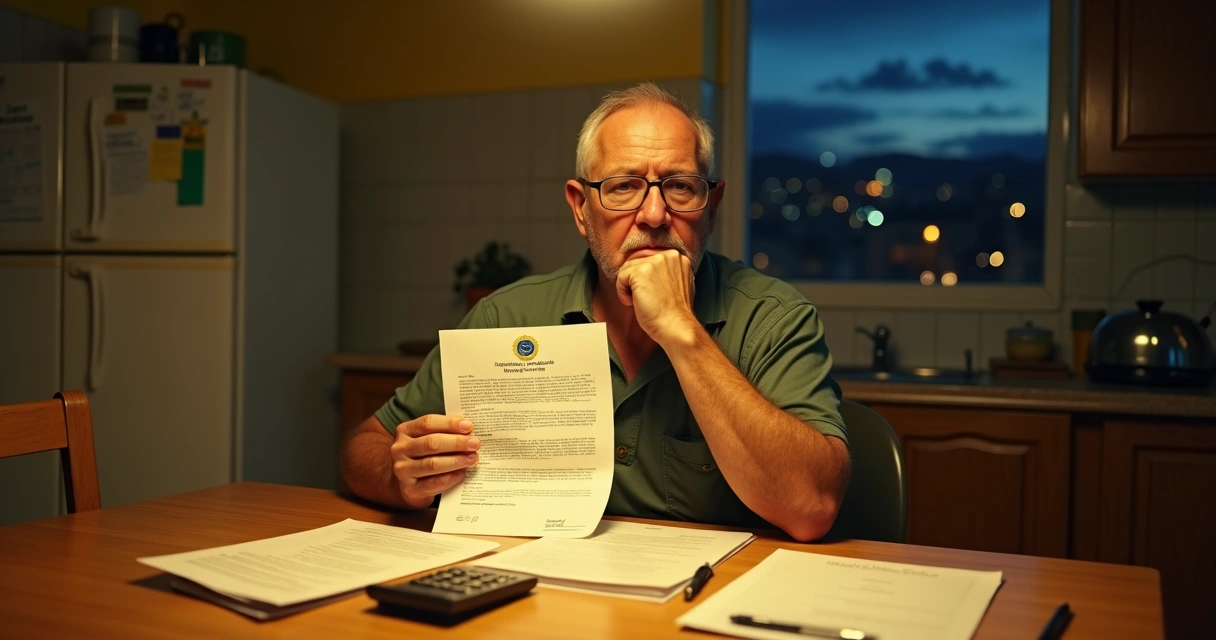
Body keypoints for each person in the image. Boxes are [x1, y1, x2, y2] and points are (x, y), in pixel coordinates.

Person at [341, 83, 850, 542]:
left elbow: (812, 508)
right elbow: (363, 447)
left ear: (710, 206)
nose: (653, 215)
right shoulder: (507, 317)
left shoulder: (775, 318)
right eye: (623, 186)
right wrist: (401, 477)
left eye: (679, 186)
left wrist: (682, 332)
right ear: (581, 209)